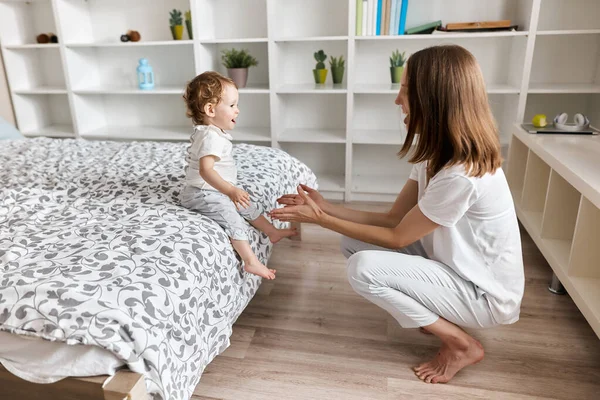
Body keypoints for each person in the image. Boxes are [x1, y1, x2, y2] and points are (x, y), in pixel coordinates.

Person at [270, 45, 524, 384]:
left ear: (432, 99)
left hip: (484, 294)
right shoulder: (435, 155)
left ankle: (460, 344)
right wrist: (326, 205)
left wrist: (319, 219)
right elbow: (393, 219)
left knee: (364, 268)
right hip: (454, 269)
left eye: (404, 91)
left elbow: (397, 237)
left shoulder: (461, 173)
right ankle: (433, 315)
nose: (397, 100)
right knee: (353, 241)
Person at [181, 71, 296, 280]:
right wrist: (231, 190)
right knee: (232, 217)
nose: (238, 110)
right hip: (201, 193)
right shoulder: (210, 137)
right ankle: (251, 262)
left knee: (247, 205)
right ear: (210, 109)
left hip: (214, 189)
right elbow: (205, 170)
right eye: (232, 105)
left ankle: (272, 232)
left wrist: (230, 191)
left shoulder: (211, 132)